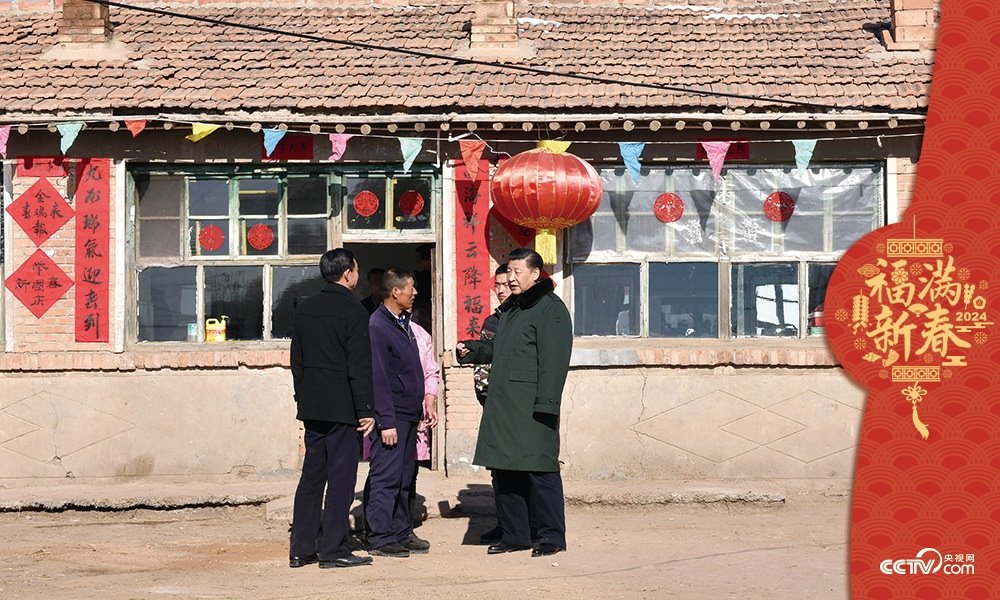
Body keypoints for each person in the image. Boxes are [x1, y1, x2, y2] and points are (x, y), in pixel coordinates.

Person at [456, 248, 572, 558]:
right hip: (503, 406)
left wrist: (547, 403)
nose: (511, 278)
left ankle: (550, 536)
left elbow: (554, 361)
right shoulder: (512, 310)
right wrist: (474, 350)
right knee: (505, 472)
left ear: (536, 274)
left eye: (518, 272)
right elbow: (500, 350)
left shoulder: (551, 310)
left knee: (540, 472)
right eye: (509, 272)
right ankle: (514, 535)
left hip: (532, 407)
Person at [288, 248, 375, 569]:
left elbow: (296, 361)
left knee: (312, 477)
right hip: (342, 410)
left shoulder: (305, 309)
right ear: (348, 273)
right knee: (340, 480)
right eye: (357, 269)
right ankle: (333, 549)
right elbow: (359, 366)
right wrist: (366, 408)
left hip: (313, 407)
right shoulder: (354, 311)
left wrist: (303, 398)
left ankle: (301, 548)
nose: (358, 275)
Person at [364, 268, 427, 558]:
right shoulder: (377, 326)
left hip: (409, 413)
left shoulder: (402, 322)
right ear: (395, 292)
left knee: (405, 476)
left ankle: (401, 530)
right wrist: (386, 421)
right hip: (392, 416)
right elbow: (378, 378)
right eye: (410, 288)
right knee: (386, 476)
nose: (415, 293)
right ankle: (379, 536)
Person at [473, 263, 513, 545]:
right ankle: (505, 523)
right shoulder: (492, 323)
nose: (500, 291)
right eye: (497, 286)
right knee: (499, 470)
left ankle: (527, 524)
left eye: (505, 285)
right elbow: (482, 369)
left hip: (519, 408)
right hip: (495, 407)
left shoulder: (527, 319)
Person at [411, 244, 433, 333]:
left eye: (419, 260)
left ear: (430, 260)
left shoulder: (426, 280)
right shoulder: (421, 279)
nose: (417, 263)